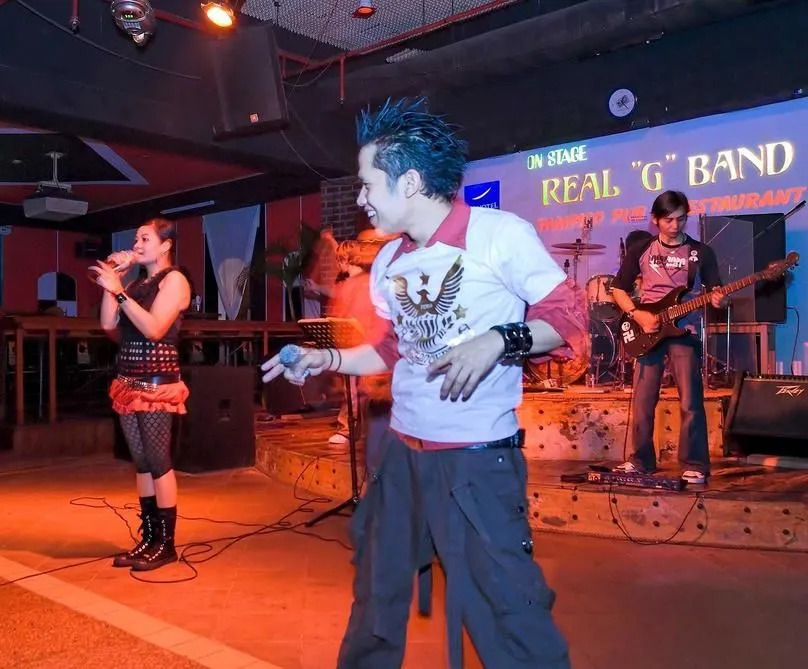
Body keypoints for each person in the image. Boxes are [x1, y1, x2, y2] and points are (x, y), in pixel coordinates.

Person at [262, 98, 586, 669]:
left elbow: (571, 320)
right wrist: (324, 358)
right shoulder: (389, 261)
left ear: (409, 182)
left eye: (368, 184)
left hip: (475, 461)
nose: (360, 199)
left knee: (507, 610)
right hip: (401, 456)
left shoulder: (499, 235)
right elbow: (393, 349)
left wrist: (499, 339)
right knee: (375, 595)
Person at [91, 218, 190, 572]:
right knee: (143, 462)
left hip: (156, 383)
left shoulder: (174, 280)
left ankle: (166, 543)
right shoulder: (135, 284)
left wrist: (119, 292)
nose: (136, 244)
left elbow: (154, 328)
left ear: (165, 245)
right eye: (135, 239)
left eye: (145, 239)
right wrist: (113, 282)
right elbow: (107, 324)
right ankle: (149, 537)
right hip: (129, 381)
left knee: (159, 462)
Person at [609, 190, 727, 484]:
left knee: (690, 400)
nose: (675, 226)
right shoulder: (641, 249)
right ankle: (641, 460)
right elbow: (618, 289)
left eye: (681, 219)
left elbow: (716, 291)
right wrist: (637, 314)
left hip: (684, 330)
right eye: (669, 220)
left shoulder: (701, 252)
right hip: (648, 329)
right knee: (643, 400)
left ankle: (695, 464)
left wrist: (719, 299)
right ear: (655, 220)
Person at [304, 231, 392, 448]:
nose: (338, 264)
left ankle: (350, 430)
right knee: (355, 392)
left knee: (357, 392)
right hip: (359, 345)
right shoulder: (357, 282)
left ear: (346, 261)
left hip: (363, 344)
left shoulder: (363, 283)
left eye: (340, 260)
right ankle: (355, 430)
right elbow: (336, 293)